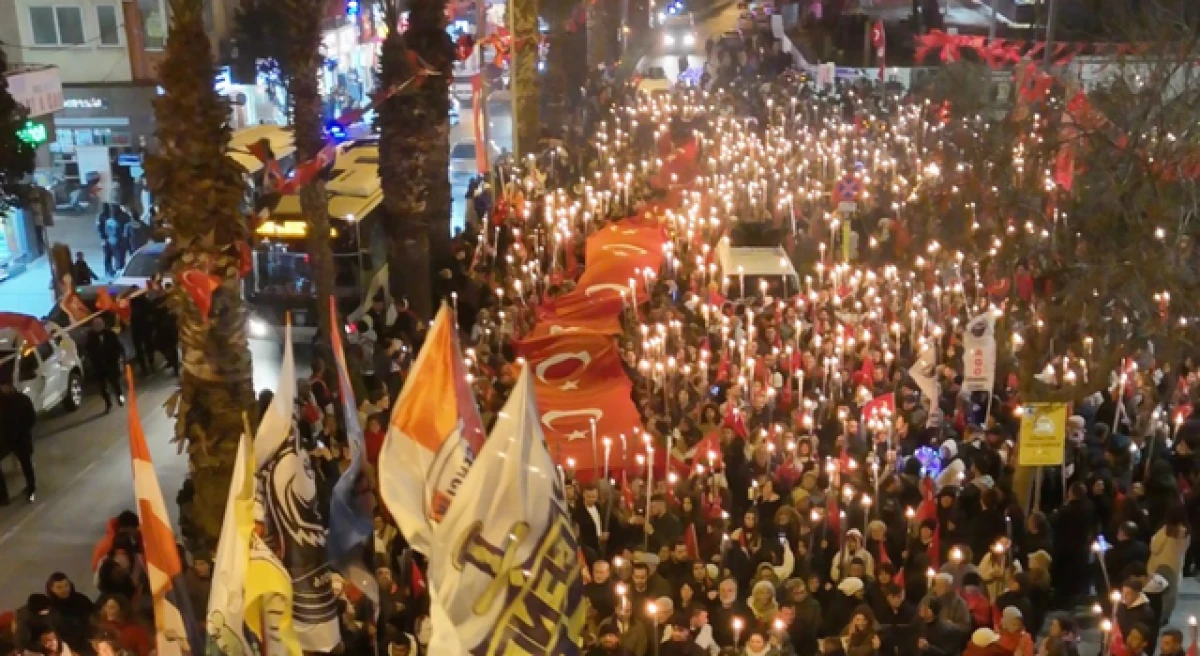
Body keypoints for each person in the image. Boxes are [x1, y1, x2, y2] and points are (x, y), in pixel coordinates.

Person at [1147, 504, 1190, 623]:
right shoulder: (1186, 532)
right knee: (1170, 595)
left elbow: (1154, 547)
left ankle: (1155, 617)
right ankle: (1165, 617)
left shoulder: (1166, 530)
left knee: (1156, 593)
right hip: (1175, 566)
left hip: (1160, 566)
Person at [0, 374, 38, 503]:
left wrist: (21, 430)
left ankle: (31, 487)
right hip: (7, 439)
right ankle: (3, 497)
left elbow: (31, 418)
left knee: (26, 464)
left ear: (10, 386)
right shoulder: (2, 401)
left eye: (4, 387)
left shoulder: (22, 400)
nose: (3, 390)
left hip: (21, 439)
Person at [85, 317, 125, 412]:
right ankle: (108, 403)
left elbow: (118, 347)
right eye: (95, 325)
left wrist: (118, 358)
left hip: (111, 363)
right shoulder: (91, 336)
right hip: (99, 366)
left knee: (116, 384)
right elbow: (88, 349)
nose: (98, 326)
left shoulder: (110, 334)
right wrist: (92, 359)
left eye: (99, 324)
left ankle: (120, 398)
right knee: (102, 388)